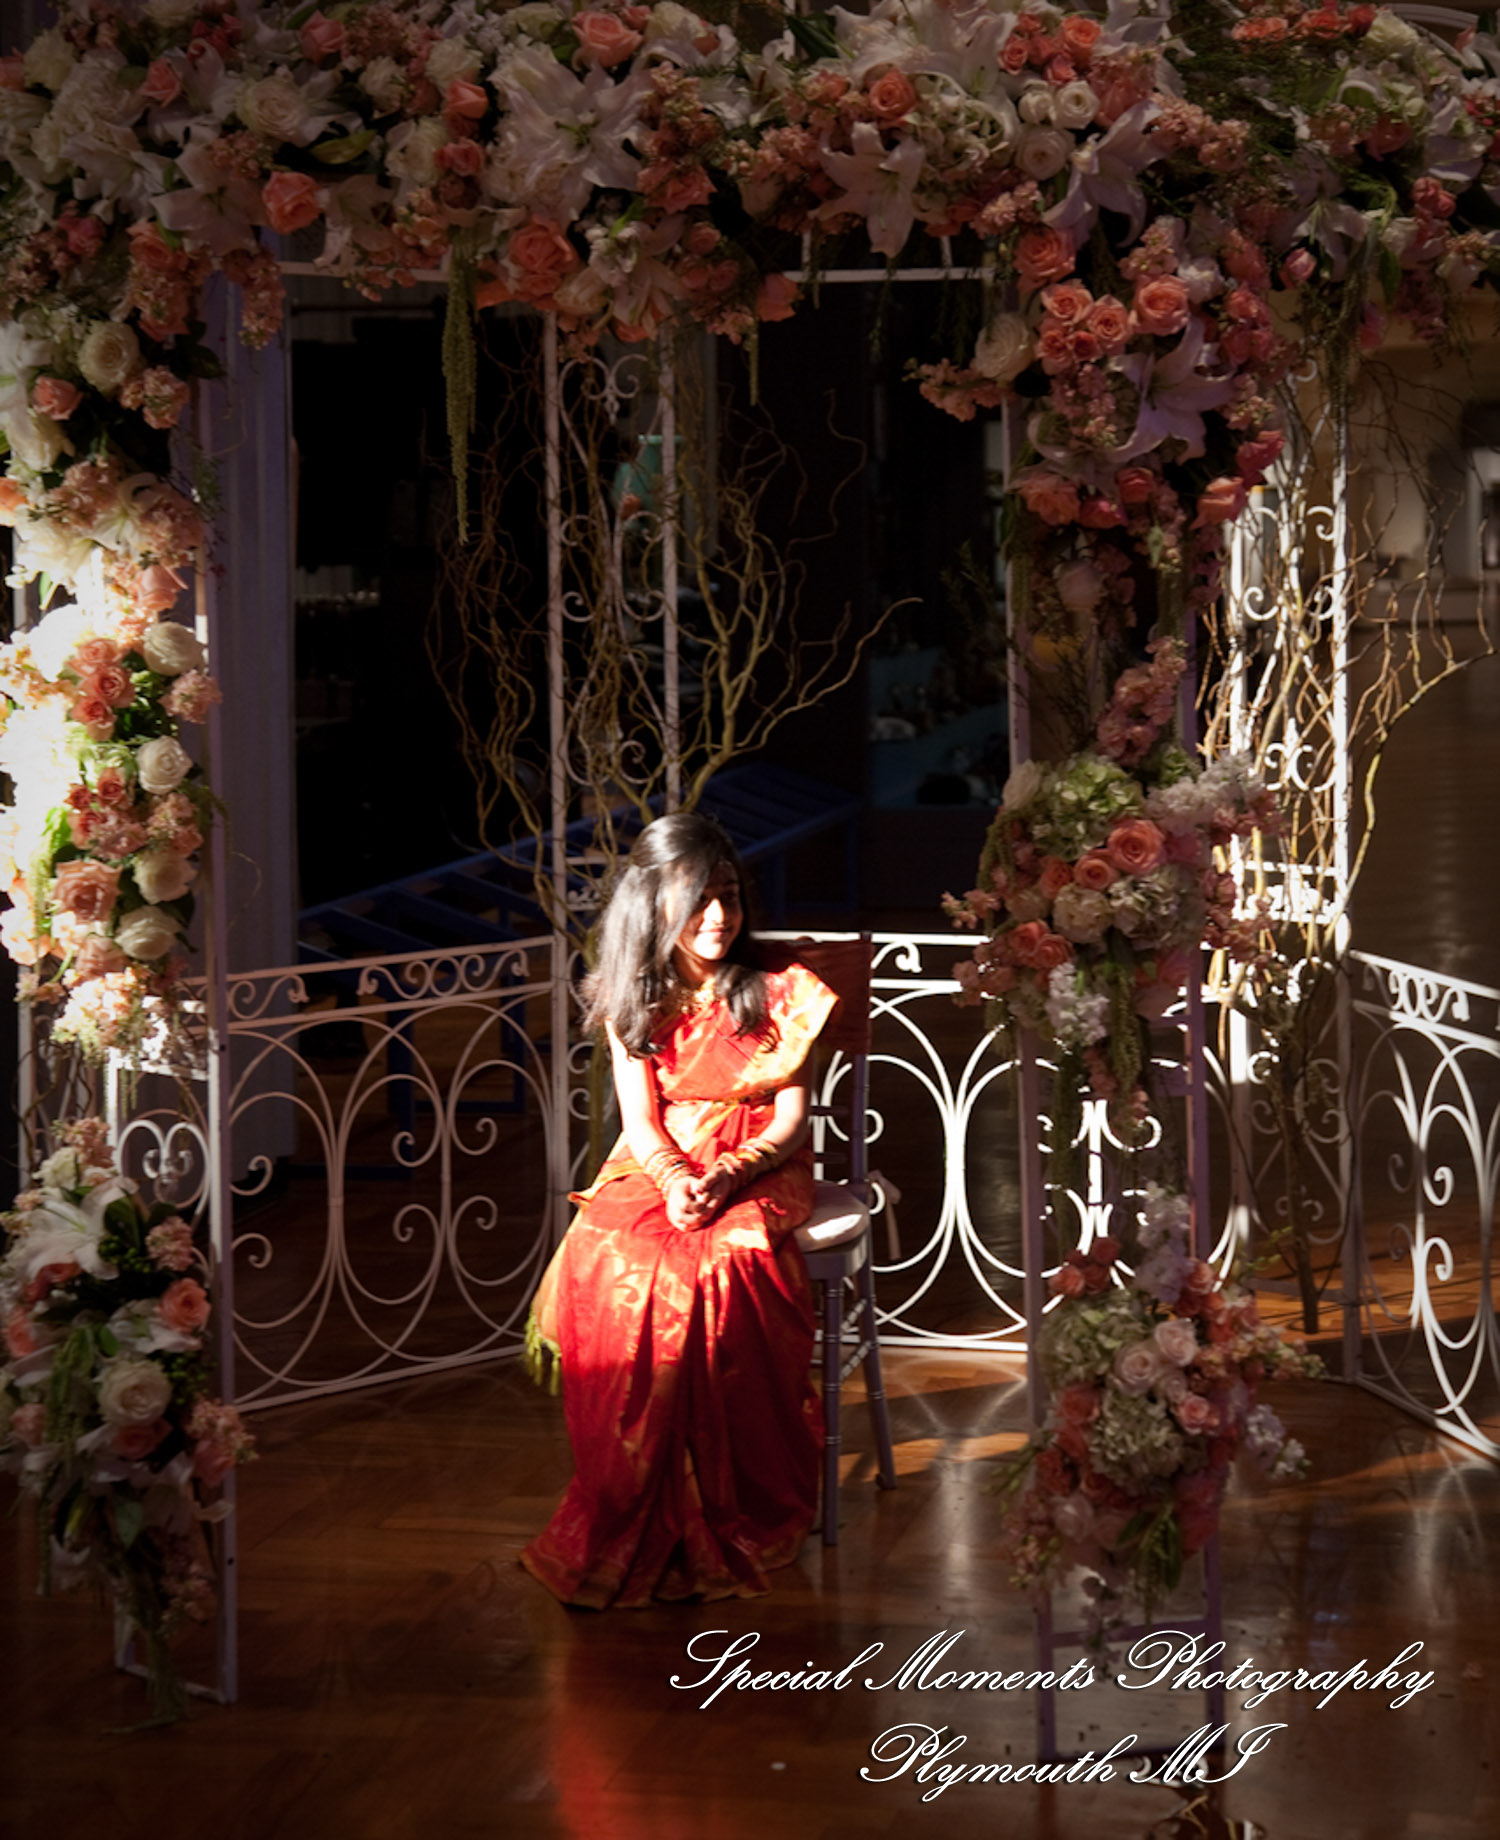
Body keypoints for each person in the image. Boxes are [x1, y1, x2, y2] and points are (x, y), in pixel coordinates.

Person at [522, 812, 837, 1608]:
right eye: (699, 900)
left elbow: (792, 1122)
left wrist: (729, 1174)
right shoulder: (637, 995)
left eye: (729, 895)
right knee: (611, 1256)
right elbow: (639, 1120)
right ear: (654, 904)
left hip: (762, 1161)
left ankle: (732, 1498)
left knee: (724, 1270)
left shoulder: (780, 991)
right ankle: (632, 1495)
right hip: (659, 1159)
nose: (719, 916)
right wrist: (671, 1177)